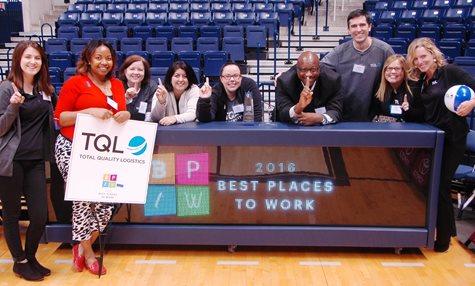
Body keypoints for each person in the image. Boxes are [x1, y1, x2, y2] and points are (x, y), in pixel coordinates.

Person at [54, 39, 130, 274]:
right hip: (71, 146)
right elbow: (60, 119)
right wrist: (87, 113)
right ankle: (89, 253)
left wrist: (125, 114)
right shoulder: (75, 83)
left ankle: (79, 245)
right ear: (88, 59)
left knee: (106, 202)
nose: (104, 62)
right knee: (83, 198)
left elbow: (120, 112)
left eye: (108, 58)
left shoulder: (117, 84)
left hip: (102, 152)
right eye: (98, 57)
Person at [406, 37, 475, 252]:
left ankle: (443, 240)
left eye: (423, 56)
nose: (420, 61)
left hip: (453, 139)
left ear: (433, 54)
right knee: (434, 187)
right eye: (416, 59)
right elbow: (424, 114)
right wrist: (408, 109)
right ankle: (450, 230)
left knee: (442, 187)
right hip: (435, 139)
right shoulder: (423, 81)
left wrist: (472, 102)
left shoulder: (451, 72)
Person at [0, 40, 55, 281]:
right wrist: (12, 108)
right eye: (28, 57)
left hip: (34, 161)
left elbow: (48, 125)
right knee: (12, 215)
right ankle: (19, 261)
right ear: (18, 60)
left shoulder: (45, 90)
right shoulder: (6, 88)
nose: (33, 62)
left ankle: (30, 256)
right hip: (11, 161)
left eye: (37, 58)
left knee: (40, 215)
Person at [321, 9, 394, 122]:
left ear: (369, 27)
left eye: (362, 25)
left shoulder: (384, 50)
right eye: (354, 26)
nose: (358, 29)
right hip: (344, 115)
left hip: (375, 116)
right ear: (348, 30)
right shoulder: (339, 52)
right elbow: (318, 68)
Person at [275, 51, 343, 125]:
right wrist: (299, 106)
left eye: (313, 70)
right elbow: (282, 113)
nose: (308, 74)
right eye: (304, 70)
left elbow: (336, 111)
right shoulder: (284, 82)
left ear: (319, 69)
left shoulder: (332, 80)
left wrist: (320, 118)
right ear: (297, 69)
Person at [196, 62, 262, 122]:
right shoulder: (216, 92)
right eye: (228, 76)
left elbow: (257, 115)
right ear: (221, 79)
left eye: (235, 76)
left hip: (245, 131)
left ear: (240, 77)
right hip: (222, 132)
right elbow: (205, 119)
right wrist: (204, 100)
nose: (232, 79)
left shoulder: (249, 86)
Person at [373, 54, 423, 123]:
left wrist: (409, 109)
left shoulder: (414, 88)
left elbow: (422, 116)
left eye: (397, 69)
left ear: (404, 71)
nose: (393, 72)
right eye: (389, 68)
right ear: (384, 71)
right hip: (386, 129)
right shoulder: (380, 89)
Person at [151, 61, 199, 125]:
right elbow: (155, 118)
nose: (181, 80)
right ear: (170, 78)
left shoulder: (194, 90)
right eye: (177, 76)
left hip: (189, 131)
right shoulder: (162, 91)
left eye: (185, 76)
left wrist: (174, 118)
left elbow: (193, 114)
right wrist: (161, 103)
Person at [118, 55, 157, 121]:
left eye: (140, 70)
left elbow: (149, 116)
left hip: (142, 127)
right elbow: (114, 111)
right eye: (132, 69)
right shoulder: (117, 85)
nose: (136, 72)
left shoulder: (151, 86)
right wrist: (126, 98)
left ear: (145, 72)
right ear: (125, 71)